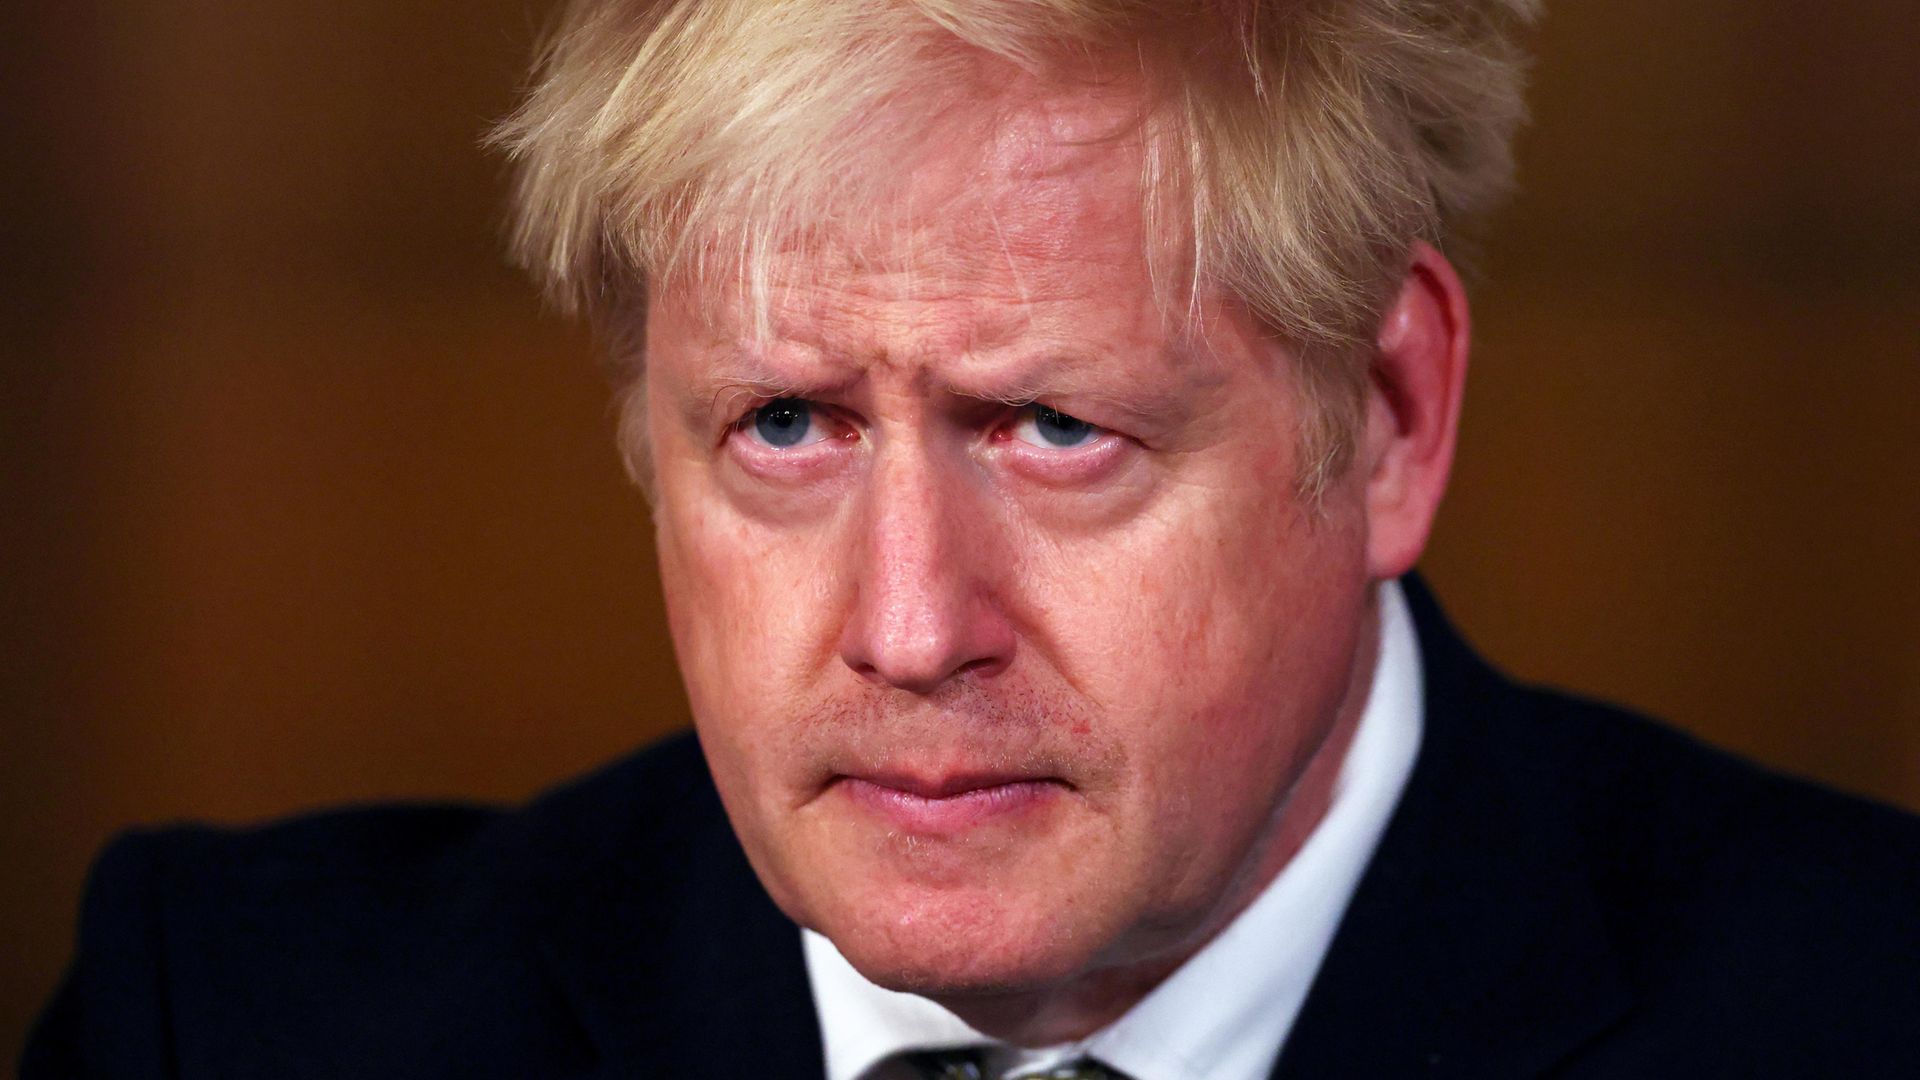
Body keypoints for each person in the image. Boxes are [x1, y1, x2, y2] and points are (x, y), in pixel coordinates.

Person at [24, 1, 1920, 1077]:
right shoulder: (234, 1029)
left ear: (1392, 414)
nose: (914, 630)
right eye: (785, 424)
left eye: (1056, 428)